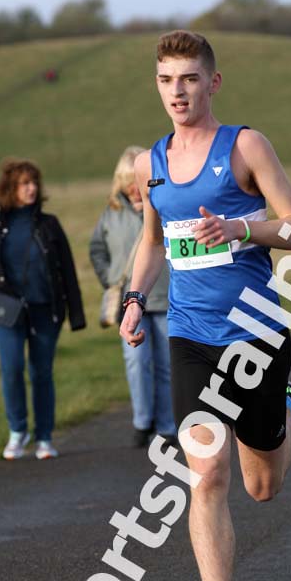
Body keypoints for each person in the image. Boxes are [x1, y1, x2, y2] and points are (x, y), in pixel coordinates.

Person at [119, 30, 291, 581]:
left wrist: (240, 228)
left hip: (256, 333)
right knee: (205, 473)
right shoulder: (151, 164)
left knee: (262, 487)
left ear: (213, 82)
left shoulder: (246, 146)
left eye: (189, 79)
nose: (177, 92)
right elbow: (153, 242)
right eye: (166, 80)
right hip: (190, 336)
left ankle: (283, 409)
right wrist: (133, 299)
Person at [0, 158, 86, 459]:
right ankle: (17, 432)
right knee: (11, 370)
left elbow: (67, 271)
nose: (31, 189)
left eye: (34, 183)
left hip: (45, 310)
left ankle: (44, 437)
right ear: (10, 189)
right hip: (6, 313)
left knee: (41, 372)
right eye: (24, 184)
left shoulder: (49, 225)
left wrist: (76, 314)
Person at [89, 146, 176, 448]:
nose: (133, 188)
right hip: (130, 303)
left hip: (164, 297)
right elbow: (96, 250)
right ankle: (142, 420)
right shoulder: (111, 214)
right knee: (136, 362)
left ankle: (167, 425)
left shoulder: (164, 207)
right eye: (128, 181)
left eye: (136, 180)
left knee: (166, 365)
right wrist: (112, 279)